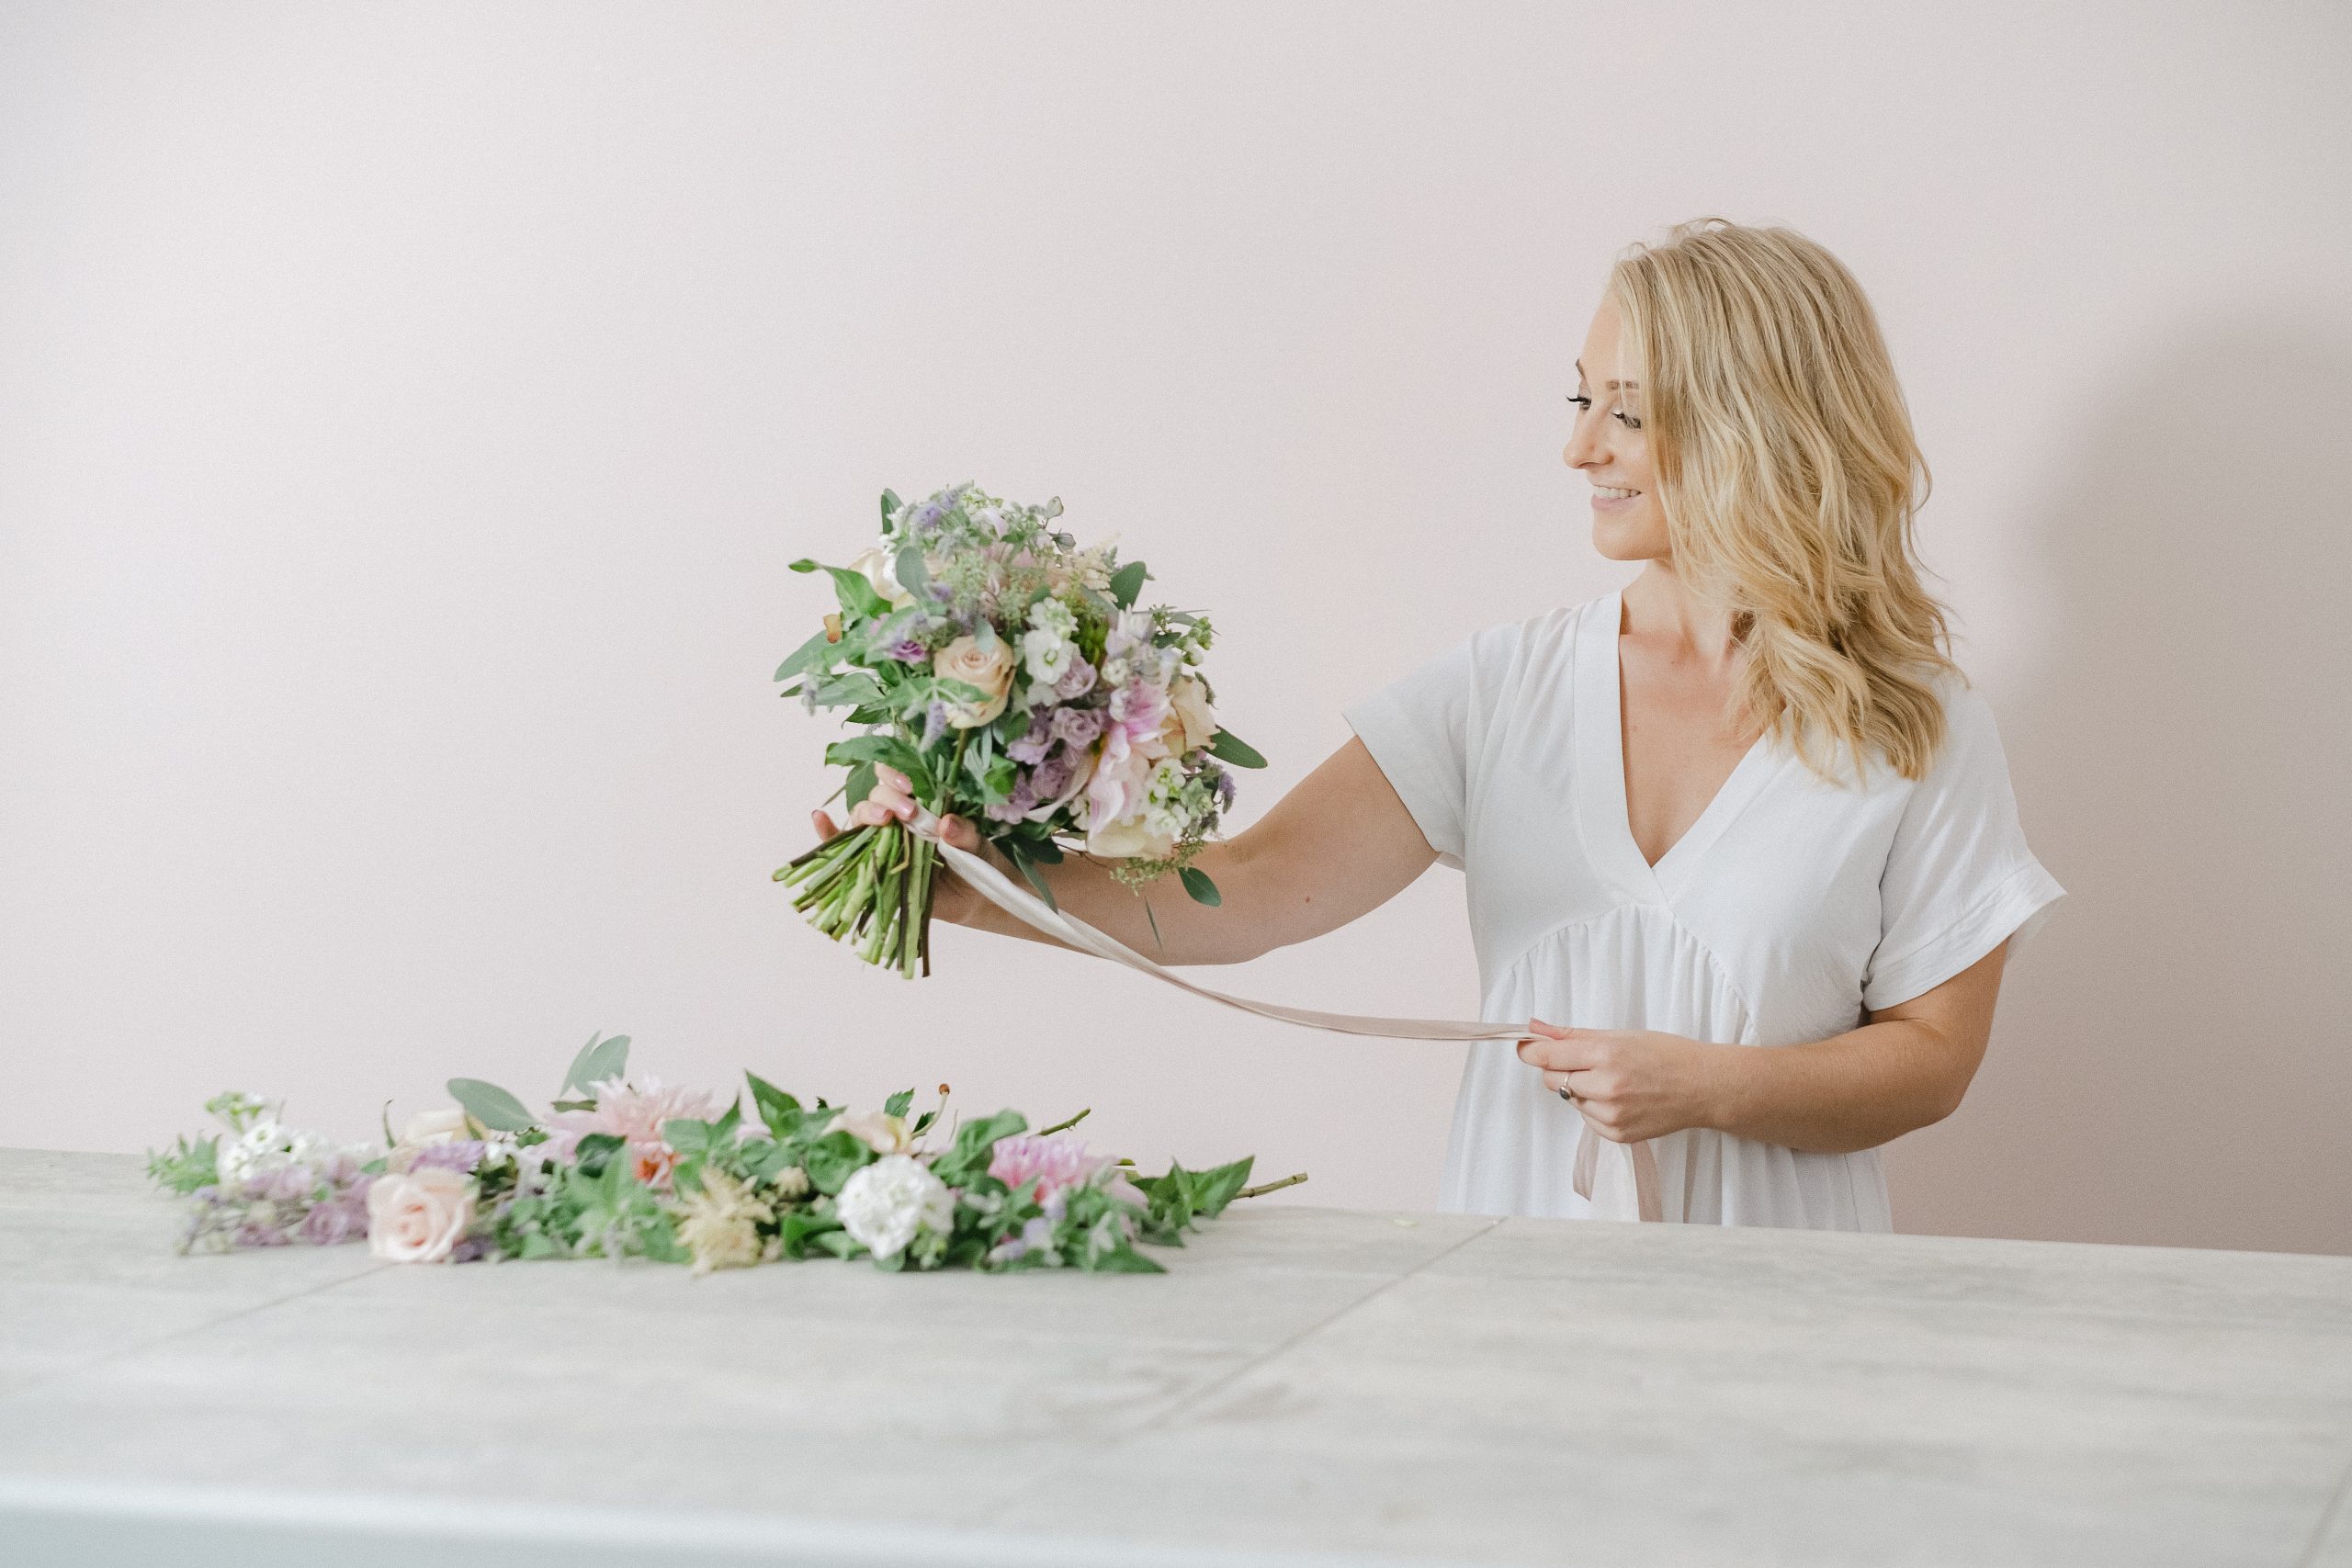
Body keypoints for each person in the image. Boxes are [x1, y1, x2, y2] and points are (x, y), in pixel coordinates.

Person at [810, 217, 2065, 1230]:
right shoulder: (1500, 692)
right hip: (1516, 1298)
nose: (1579, 448)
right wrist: (985, 890)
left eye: (1626, 410)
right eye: (1580, 401)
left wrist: (1711, 1089)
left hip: (1793, 1317)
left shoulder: (1916, 727)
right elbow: (1241, 889)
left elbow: (1933, 1058)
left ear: (1756, 427)